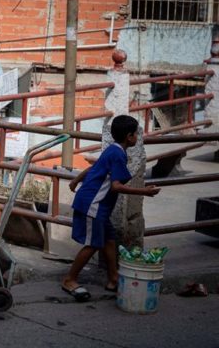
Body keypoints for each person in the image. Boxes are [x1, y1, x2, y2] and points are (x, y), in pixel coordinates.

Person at [61, 115, 160, 302]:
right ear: (129, 136)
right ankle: (69, 279)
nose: (138, 138)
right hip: (94, 204)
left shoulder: (112, 150)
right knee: (93, 244)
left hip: (97, 204)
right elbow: (115, 186)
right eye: (136, 134)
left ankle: (113, 278)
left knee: (109, 240)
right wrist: (143, 192)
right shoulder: (118, 154)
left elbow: (94, 168)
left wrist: (75, 180)